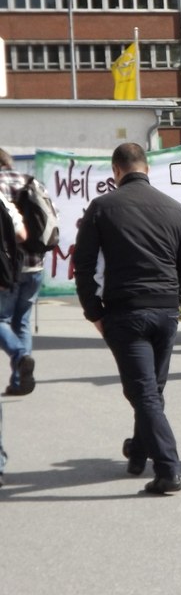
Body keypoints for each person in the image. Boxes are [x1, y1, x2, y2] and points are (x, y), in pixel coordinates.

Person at [73, 143, 181, 495]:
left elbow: (83, 265)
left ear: (116, 171)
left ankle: (169, 469)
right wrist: (173, 298)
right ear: (146, 167)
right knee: (152, 390)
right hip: (166, 309)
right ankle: (138, 453)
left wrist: (93, 311)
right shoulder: (175, 209)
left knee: (143, 392)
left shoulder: (102, 207)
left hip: (126, 311)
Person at [0, 149, 41, 396]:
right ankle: (20, 381)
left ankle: (20, 355)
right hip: (35, 263)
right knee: (22, 322)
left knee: (2, 319)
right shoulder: (31, 182)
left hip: (7, 267)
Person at [0, 189, 29, 487]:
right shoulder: (3, 198)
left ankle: (20, 357)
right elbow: (20, 233)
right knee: (18, 319)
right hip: (10, 275)